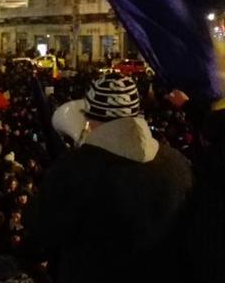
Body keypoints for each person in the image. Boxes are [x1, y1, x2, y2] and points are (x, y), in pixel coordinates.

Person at [35, 74, 193, 283]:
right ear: (136, 112)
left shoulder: (74, 168)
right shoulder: (177, 163)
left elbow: (43, 231)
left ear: (89, 116)